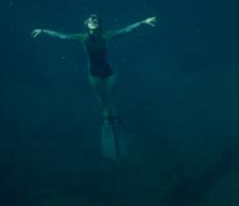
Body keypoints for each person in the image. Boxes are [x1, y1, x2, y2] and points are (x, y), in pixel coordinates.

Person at [31, 13, 157, 158]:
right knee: (101, 96)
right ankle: (107, 117)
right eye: (90, 19)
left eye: (95, 19)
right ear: (86, 23)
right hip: (93, 74)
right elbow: (63, 36)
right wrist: (44, 31)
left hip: (110, 72)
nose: (92, 20)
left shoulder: (107, 35)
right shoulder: (82, 38)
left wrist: (142, 22)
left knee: (108, 95)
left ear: (100, 24)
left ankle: (113, 115)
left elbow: (126, 30)